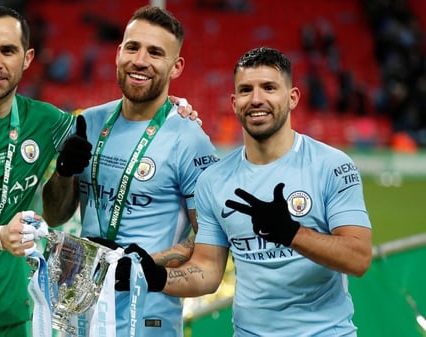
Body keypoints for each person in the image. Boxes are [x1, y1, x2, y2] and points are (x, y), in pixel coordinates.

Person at [0, 6, 198, 337]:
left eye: (8, 51)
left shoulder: (45, 121)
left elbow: (106, 128)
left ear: (27, 59)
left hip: (5, 316)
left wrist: (172, 110)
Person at [122, 47, 374, 336]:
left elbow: (359, 258)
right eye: (245, 90)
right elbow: (207, 269)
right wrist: (156, 276)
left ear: (292, 98)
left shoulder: (332, 165)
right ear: (234, 101)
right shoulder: (214, 181)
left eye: (269, 88)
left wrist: (290, 232)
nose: (256, 99)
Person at [42, 6, 218, 337]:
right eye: (133, 47)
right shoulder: (87, 122)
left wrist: (149, 263)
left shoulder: (189, 139)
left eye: (155, 53)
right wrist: (64, 173)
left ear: (175, 66)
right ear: (119, 52)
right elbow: (54, 214)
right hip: (81, 315)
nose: (140, 60)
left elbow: (211, 244)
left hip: (147, 320)